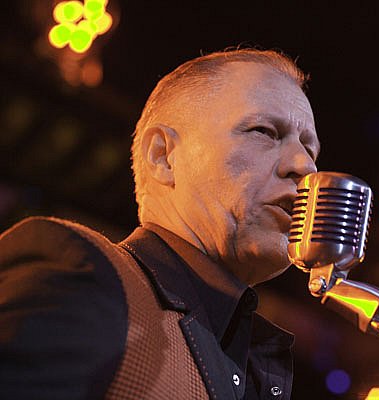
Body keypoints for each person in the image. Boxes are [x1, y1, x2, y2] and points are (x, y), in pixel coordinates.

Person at [0, 48, 320, 399]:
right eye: (264, 131)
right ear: (162, 156)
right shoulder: (79, 272)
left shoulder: (256, 364)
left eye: (310, 150)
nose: (305, 167)